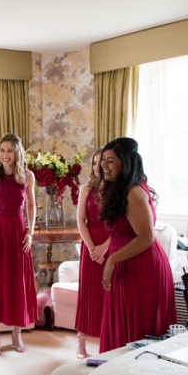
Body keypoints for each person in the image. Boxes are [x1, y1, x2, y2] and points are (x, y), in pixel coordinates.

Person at [98, 137, 176, 352]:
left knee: (137, 332)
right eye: (103, 159)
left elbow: (146, 237)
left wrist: (112, 259)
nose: (104, 164)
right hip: (126, 261)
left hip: (140, 264)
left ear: (126, 163)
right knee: (121, 325)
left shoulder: (134, 192)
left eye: (111, 161)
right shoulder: (119, 189)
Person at [0, 134, 37, 356]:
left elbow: (31, 207)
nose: (5, 155)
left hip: (18, 233)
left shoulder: (28, 177)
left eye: (9, 151)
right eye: (2, 150)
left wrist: (30, 233)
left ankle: (17, 333)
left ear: (17, 153)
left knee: (18, 283)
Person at [73, 148, 108, 359]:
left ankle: (108, 340)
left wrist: (104, 247)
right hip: (90, 245)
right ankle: (81, 342)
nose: (97, 167)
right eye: (94, 163)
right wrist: (92, 247)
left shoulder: (118, 190)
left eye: (101, 162)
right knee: (87, 294)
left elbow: (122, 224)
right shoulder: (86, 188)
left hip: (111, 245)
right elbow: (80, 221)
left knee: (109, 294)